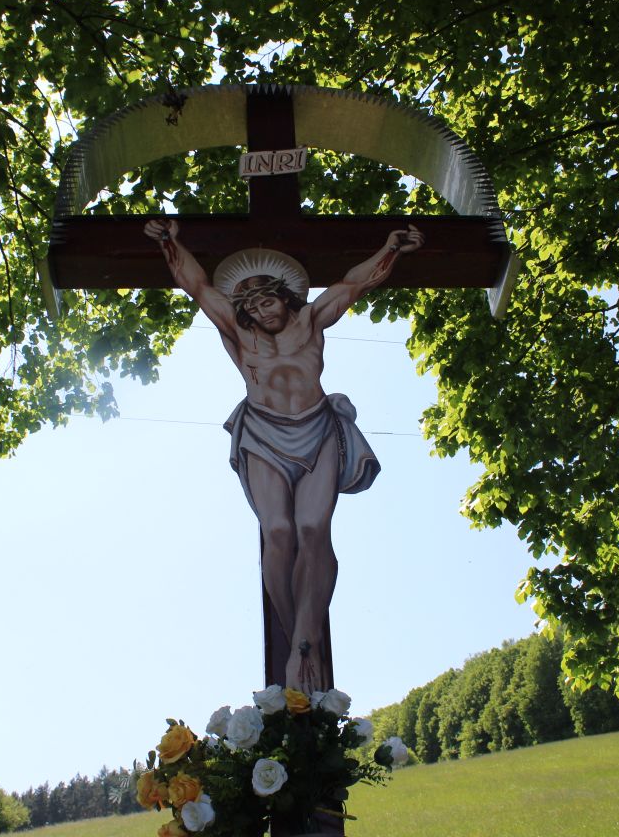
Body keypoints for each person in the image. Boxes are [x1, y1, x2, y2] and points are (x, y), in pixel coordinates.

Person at [144, 219, 424, 691]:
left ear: (285, 297)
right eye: (252, 306)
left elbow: (355, 283)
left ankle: (304, 641)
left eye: (267, 301)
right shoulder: (239, 332)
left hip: (316, 430)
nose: (260, 310)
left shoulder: (311, 321)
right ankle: (300, 641)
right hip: (263, 434)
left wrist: (390, 248)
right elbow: (197, 285)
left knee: (312, 528)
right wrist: (170, 242)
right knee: (276, 531)